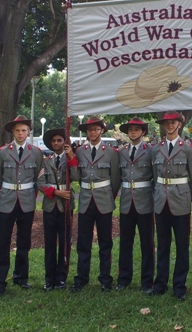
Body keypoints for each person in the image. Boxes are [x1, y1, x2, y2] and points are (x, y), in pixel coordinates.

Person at [0, 115, 44, 296]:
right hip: (6, 200)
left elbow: (38, 178)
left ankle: (21, 277)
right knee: (2, 242)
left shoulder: (36, 153)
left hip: (27, 201)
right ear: (12, 132)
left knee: (24, 241)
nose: (20, 133)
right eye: (17, 130)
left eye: (24, 130)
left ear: (29, 132)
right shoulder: (2, 152)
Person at [152, 111, 192, 301]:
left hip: (181, 201)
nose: (170, 125)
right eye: (167, 123)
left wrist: (186, 196)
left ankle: (179, 285)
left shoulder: (187, 149)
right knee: (162, 245)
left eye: (173, 122)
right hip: (161, 201)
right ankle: (160, 283)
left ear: (180, 124)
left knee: (182, 245)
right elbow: (154, 175)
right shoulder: (156, 149)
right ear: (163, 126)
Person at [71, 116, 121, 292]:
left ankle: (105, 279)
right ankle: (81, 278)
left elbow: (115, 179)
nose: (92, 132)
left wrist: (109, 197)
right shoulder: (80, 151)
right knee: (83, 242)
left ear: (102, 131)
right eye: (90, 130)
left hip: (104, 200)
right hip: (86, 200)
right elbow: (76, 177)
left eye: (96, 129)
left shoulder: (111, 152)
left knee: (105, 242)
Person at [115, 117, 155, 294]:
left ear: (143, 132)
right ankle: (124, 278)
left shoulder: (151, 151)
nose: (133, 132)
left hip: (145, 201)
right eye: (130, 129)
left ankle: (147, 281)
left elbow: (156, 176)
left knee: (147, 242)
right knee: (125, 242)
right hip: (126, 201)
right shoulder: (122, 152)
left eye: (137, 129)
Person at [37, 128, 79, 291]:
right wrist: (55, 192)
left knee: (64, 242)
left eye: (59, 140)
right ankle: (50, 278)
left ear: (65, 142)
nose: (56, 143)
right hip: (50, 204)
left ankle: (61, 277)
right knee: (49, 243)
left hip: (65, 205)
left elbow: (76, 177)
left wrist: (71, 157)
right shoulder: (46, 161)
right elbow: (40, 183)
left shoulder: (70, 159)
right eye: (53, 141)